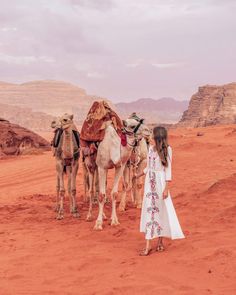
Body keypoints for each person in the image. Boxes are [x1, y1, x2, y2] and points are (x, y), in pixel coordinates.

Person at [134, 126, 184, 256]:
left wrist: (166, 189)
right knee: (149, 210)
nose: (149, 136)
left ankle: (160, 241)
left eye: (151, 134)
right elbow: (149, 167)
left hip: (160, 183)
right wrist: (139, 174)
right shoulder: (150, 148)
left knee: (160, 210)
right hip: (149, 184)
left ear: (157, 137)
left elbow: (168, 170)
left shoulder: (168, 150)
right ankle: (148, 245)